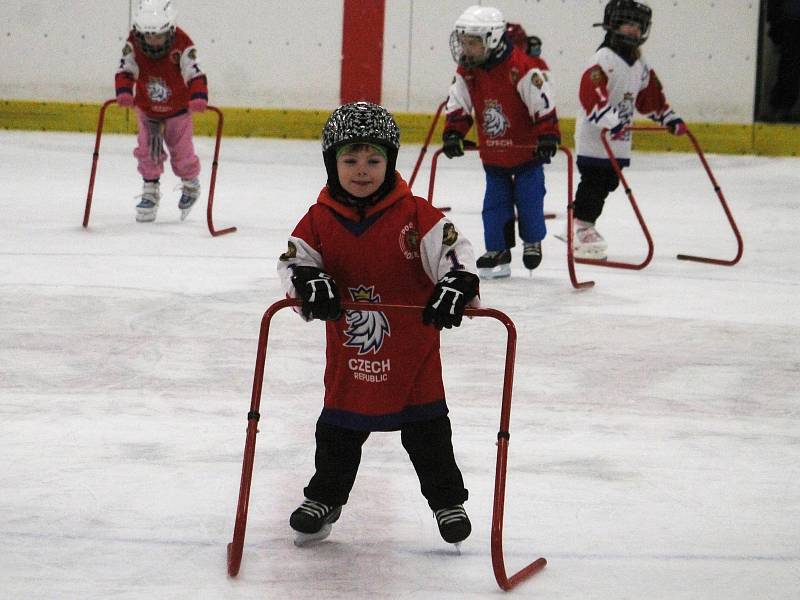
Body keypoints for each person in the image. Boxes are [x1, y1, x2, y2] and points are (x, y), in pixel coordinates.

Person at [277, 101, 481, 547]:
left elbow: (456, 253)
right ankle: (325, 498)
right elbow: (294, 260)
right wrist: (307, 281)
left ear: (390, 162)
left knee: (428, 434)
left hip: (413, 356)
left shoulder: (415, 215)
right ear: (333, 163)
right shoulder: (320, 218)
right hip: (352, 356)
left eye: (374, 159)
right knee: (338, 433)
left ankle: (448, 501)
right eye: (350, 159)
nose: (362, 170)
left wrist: (458, 283)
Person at [442, 5, 561, 279]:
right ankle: (498, 249)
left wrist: (546, 135)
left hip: (527, 155)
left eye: (472, 43)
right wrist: (453, 132)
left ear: (492, 40)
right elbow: (458, 102)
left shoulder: (521, 68)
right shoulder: (467, 71)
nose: (466, 49)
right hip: (494, 155)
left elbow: (543, 105)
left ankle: (532, 240)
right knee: (494, 205)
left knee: (530, 200)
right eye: (464, 42)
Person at [571, 0, 685, 259]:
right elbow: (591, 94)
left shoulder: (640, 63)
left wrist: (667, 117)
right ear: (612, 25)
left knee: (608, 182)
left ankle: (582, 223)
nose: (633, 30)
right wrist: (612, 122)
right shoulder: (603, 58)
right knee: (594, 181)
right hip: (596, 137)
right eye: (628, 24)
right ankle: (581, 227)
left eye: (638, 25)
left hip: (620, 140)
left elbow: (650, 97)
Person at [115, 0, 208, 223]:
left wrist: (198, 95)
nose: (152, 41)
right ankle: (150, 190)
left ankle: (190, 183)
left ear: (170, 30)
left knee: (182, 153)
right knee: (147, 151)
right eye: (147, 35)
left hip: (178, 110)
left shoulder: (183, 44)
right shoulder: (133, 44)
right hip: (147, 110)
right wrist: (124, 91)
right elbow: (125, 70)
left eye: (158, 35)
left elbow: (195, 73)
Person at [766, 0, 800, 122]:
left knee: (789, 66)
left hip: (789, 20)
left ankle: (779, 107)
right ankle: (780, 107)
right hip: (790, 21)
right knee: (789, 66)